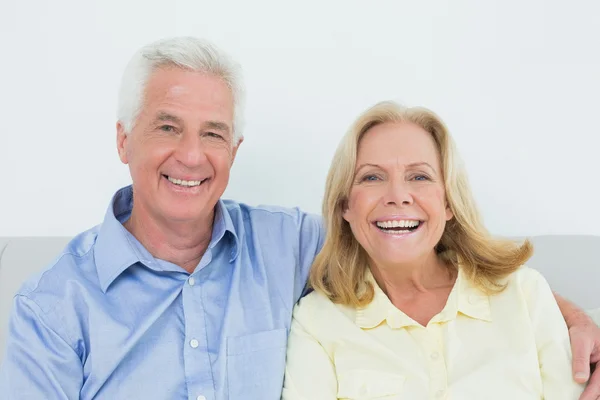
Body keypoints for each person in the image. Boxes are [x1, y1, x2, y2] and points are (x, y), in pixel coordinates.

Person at [0, 37, 597, 400]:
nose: (191, 154)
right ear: (123, 138)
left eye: (213, 133)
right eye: (167, 127)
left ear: (233, 153)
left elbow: (415, 256)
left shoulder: (287, 244)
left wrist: (570, 319)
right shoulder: (52, 308)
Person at [281, 101, 586, 399]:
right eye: (372, 177)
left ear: (449, 202)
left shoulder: (525, 293)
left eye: (419, 177)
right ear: (345, 204)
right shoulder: (317, 322)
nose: (398, 196)